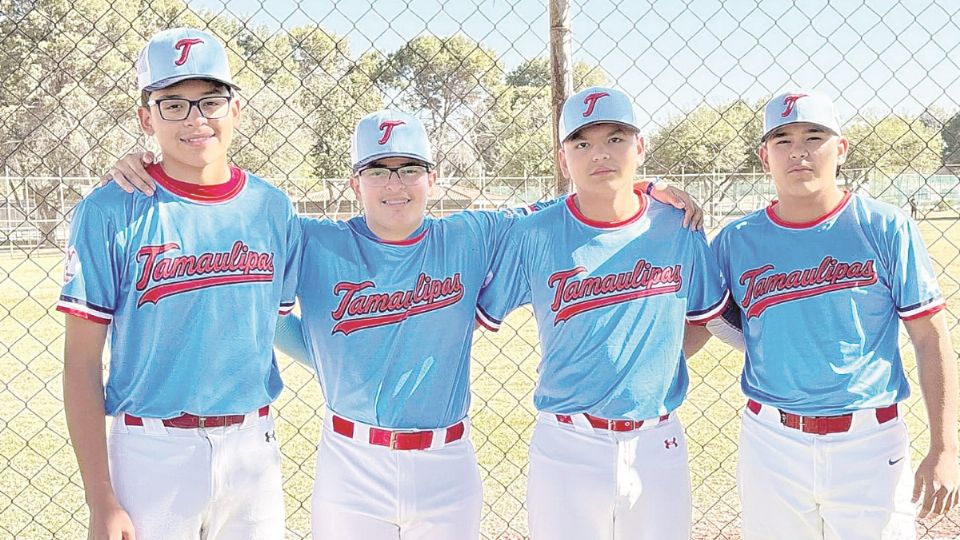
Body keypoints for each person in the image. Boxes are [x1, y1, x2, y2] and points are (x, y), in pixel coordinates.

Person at [104, 108, 702, 538]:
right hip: (350, 458)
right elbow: (241, 258)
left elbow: (578, 204)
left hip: (447, 459)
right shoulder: (313, 241)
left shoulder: (472, 236)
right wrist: (149, 169)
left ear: (433, 179)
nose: (396, 183)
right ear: (354, 181)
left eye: (410, 167)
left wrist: (644, 186)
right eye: (379, 168)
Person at [59, 28, 300, 540]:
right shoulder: (108, 212)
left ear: (235, 109)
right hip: (152, 453)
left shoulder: (273, 208)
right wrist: (100, 497)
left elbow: (276, 320)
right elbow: (81, 363)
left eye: (210, 100)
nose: (195, 119)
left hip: (252, 447)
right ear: (146, 117)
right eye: (173, 104)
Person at [696, 90, 959, 539]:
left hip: (870, 441)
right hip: (770, 440)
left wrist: (946, 448)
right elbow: (713, 320)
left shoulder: (885, 226)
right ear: (764, 157)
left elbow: (931, 337)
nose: (798, 150)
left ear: (840, 149)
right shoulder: (735, 240)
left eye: (813, 136)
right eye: (782, 139)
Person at [474, 86, 729, 539]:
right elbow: (481, 314)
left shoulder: (678, 225)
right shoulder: (534, 234)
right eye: (582, 143)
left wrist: (650, 363)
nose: (600, 154)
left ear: (640, 147)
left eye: (615, 138)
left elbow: (705, 318)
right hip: (566, 442)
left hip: (657, 441)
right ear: (562, 158)